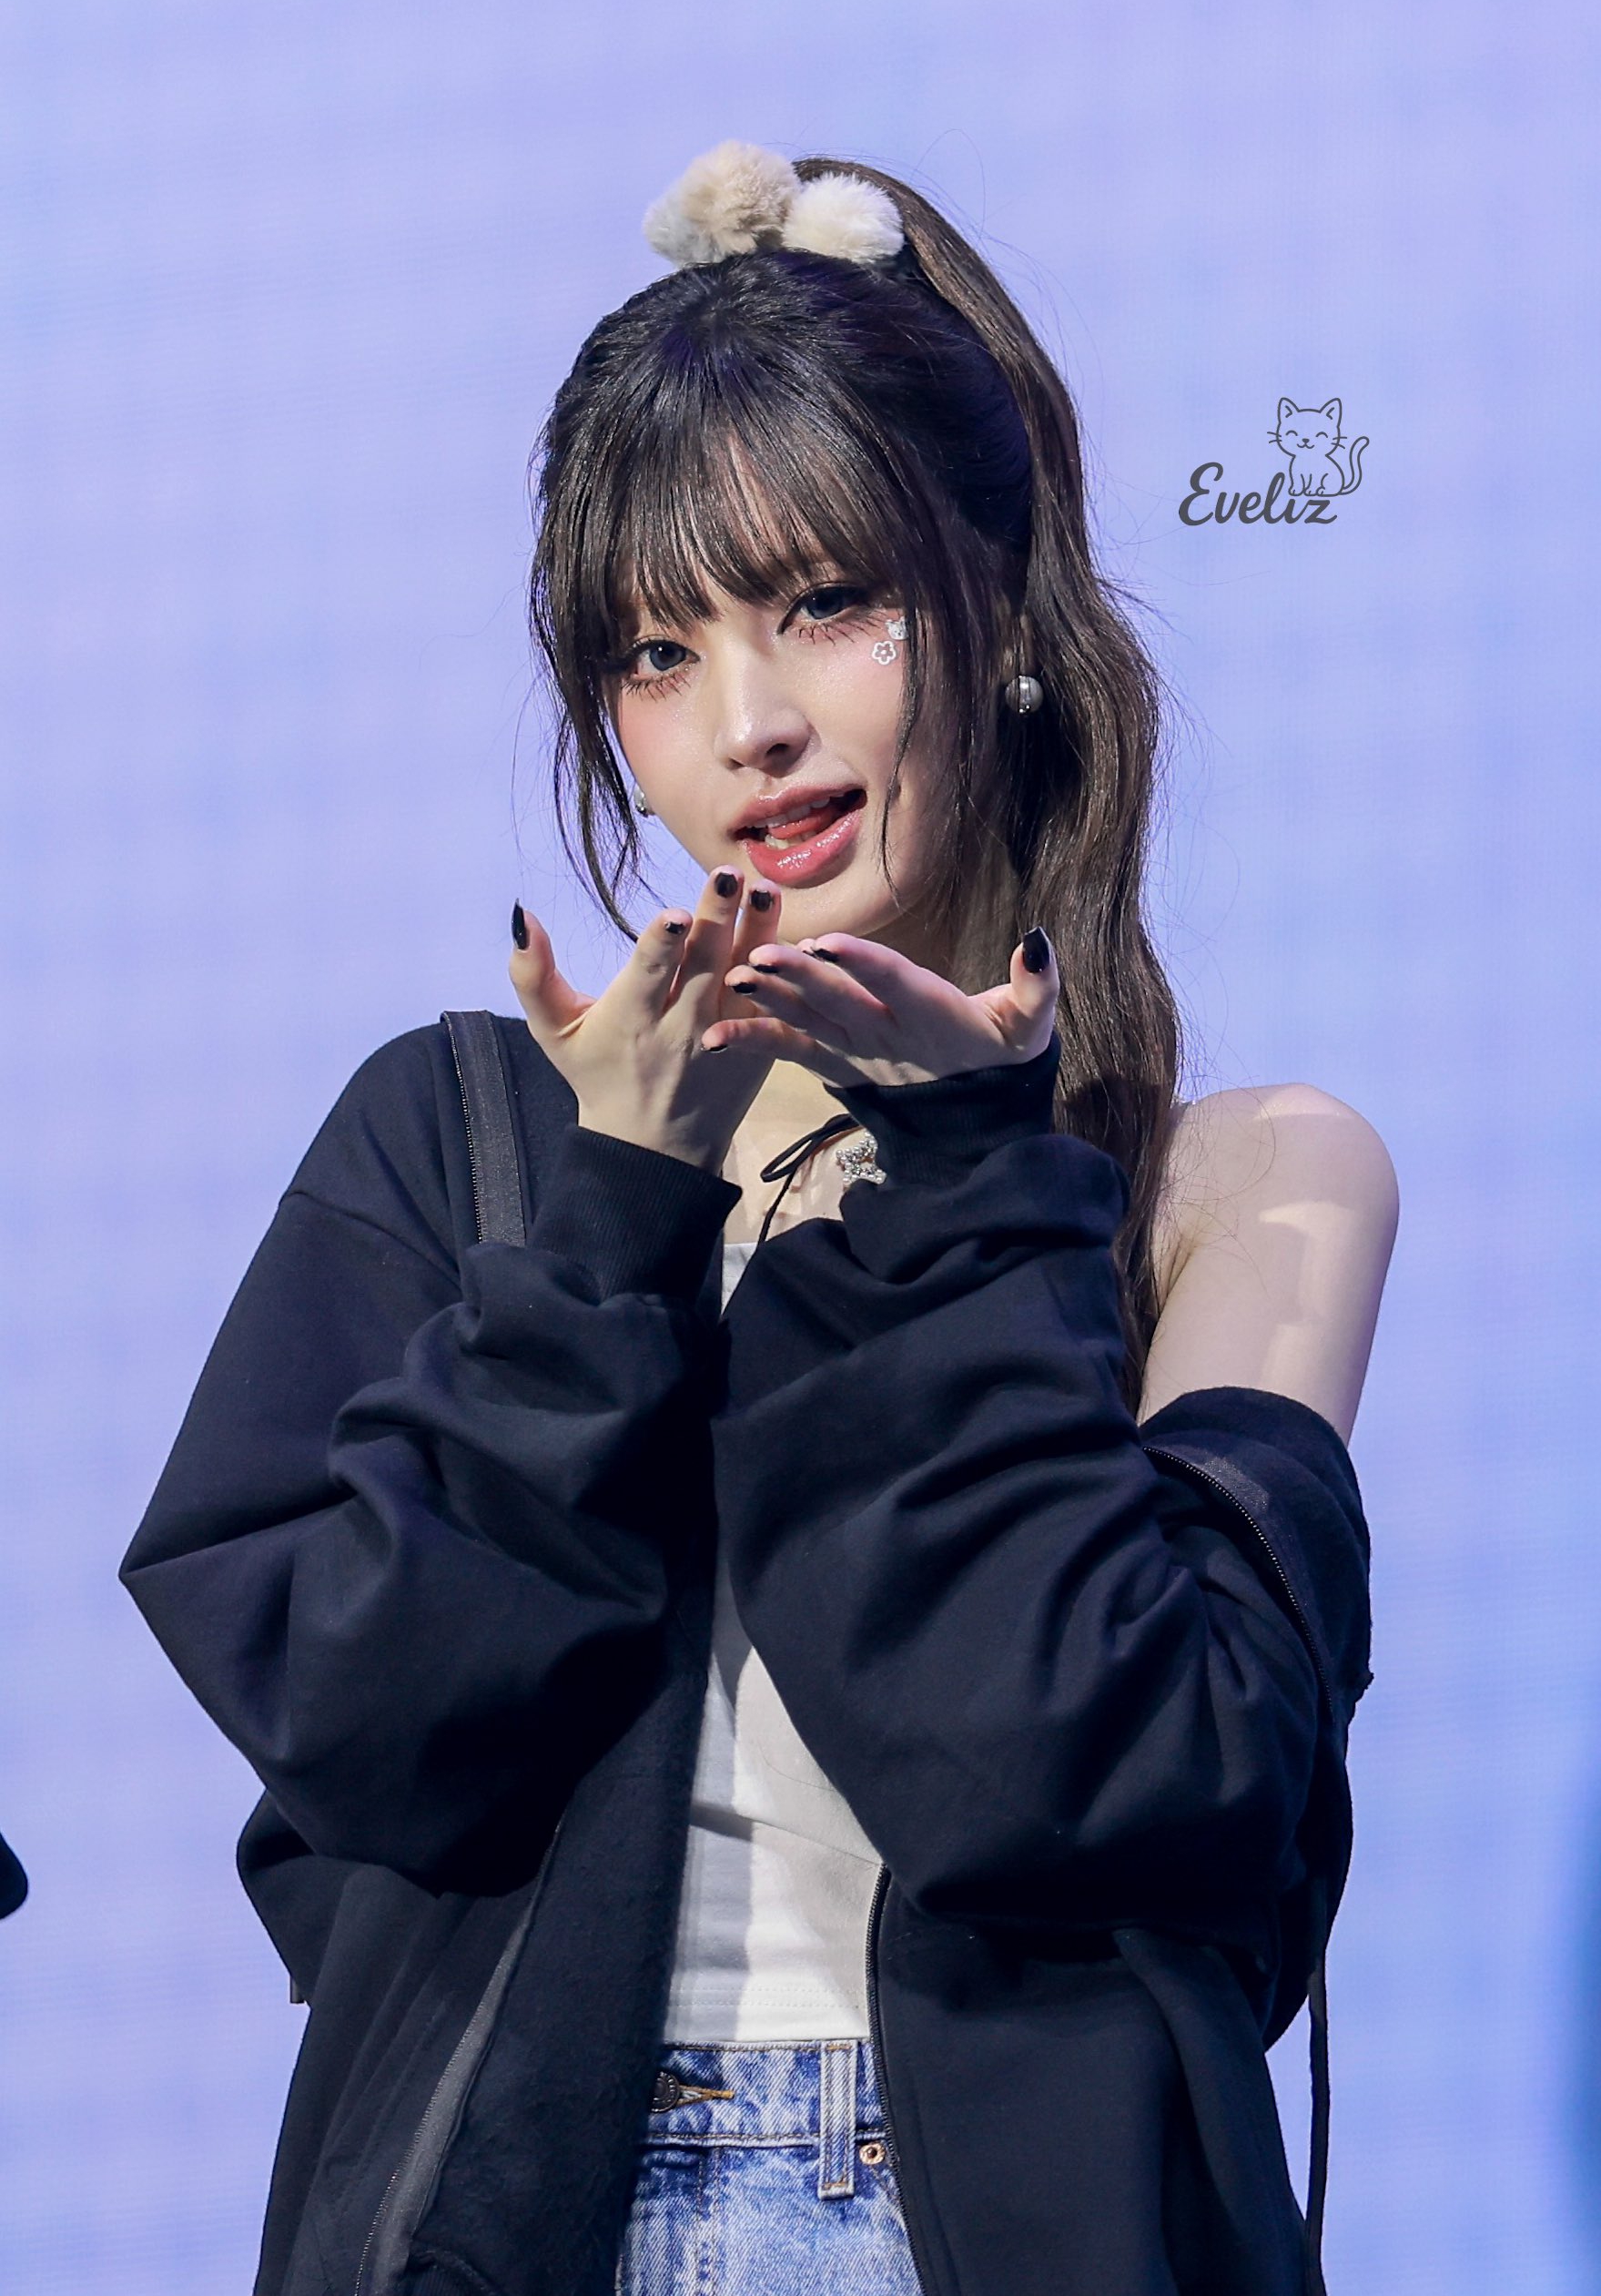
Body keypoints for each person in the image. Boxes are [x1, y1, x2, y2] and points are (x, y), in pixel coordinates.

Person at [122, 143, 1397, 2296]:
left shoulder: (1234, 1176)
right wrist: (609, 1223)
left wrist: (971, 1176)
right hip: (529, 2223)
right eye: (657, 647)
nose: (750, 727)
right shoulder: (466, 1141)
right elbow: (365, 1741)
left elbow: (1129, 1777)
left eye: (825, 603)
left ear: (1005, 613)